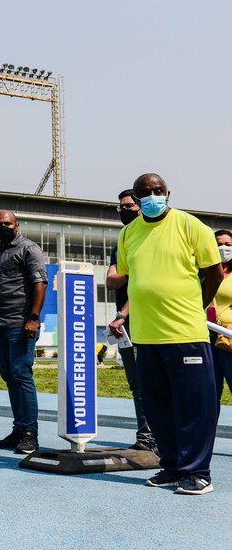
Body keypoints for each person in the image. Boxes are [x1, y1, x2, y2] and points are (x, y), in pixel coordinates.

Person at [110, 173, 222, 495]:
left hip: (184, 331)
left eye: (158, 190)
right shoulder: (129, 234)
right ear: (135, 197)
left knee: (193, 406)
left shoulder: (191, 226)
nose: (152, 195)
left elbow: (213, 273)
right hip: (145, 335)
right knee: (157, 408)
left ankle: (197, 472)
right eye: (145, 192)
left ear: (168, 193)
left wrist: (196, 306)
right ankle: (172, 466)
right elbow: (133, 279)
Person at [0, 211, 47, 454]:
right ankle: (18, 430)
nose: (2, 227)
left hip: (21, 323)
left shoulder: (29, 248)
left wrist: (34, 318)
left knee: (21, 375)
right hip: (0, 323)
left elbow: (40, 283)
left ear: (17, 225)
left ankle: (30, 433)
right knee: (8, 376)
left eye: (7, 223)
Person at [106, 189, 156, 452]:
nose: (124, 211)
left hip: (146, 321)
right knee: (136, 384)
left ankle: (158, 437)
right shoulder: (123, 240)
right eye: (121, 208)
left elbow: (144, 283)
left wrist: (123, 312)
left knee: (153, 383)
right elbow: (111, 281)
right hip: (125, 326)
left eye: (129, 206)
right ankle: (147, 437)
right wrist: (131, 272)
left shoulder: (150, 238)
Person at [209, 229, 232, 403]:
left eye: (227, 244)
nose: (222, 248)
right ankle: (208, 430)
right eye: (218, 244)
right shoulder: (203, 272)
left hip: (229, 336)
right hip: (206, 336)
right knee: (210, 390)